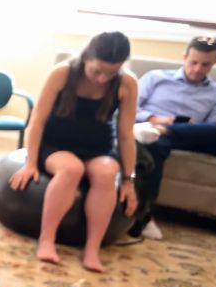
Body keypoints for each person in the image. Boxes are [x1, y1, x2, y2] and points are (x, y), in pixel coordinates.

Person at [8, 32, 139, 272]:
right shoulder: (62, 73)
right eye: (97, 71)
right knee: (71, 169)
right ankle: (47, 240)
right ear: (87, 57)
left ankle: (92, 248)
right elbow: (36, 121)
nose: (102, 79)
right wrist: (31, 162)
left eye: (111, 73)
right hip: (56, 144)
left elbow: (125, 134)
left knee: (108, 173)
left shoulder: (127, 83)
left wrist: (129, 180)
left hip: (99, 148)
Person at [129, 35, 216, 240]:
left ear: (215, 62)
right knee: (155, 142)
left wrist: (179, 128)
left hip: (189, 139)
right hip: (149, 129)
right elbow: (129, 107)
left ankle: (165, 131)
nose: (198, 69)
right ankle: (144, 215)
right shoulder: (155, 77)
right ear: (184, 57)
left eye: (205, 64)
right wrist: (156, 118)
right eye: (194, 62)